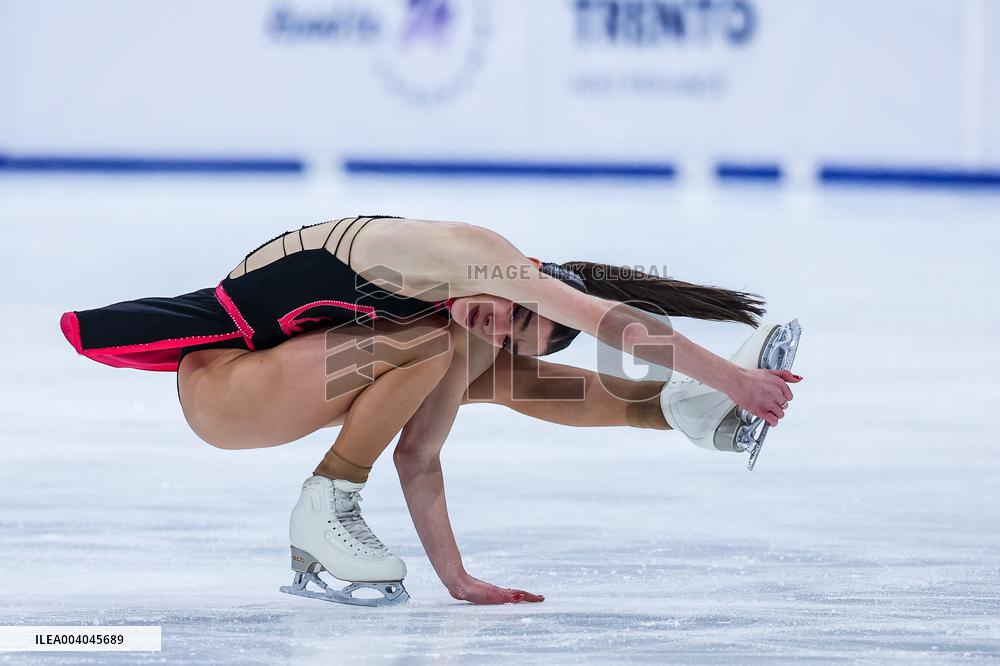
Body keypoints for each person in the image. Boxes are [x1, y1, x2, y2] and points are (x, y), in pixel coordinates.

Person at [61, 215, 802, 605]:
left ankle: (683, 412)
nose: (497, 326)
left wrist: (458, 579)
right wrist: (737, 379)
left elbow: (419, 454)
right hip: (224, 385)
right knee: (434, 344)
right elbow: (611, 322)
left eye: (516, 331)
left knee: (495, 374)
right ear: (530, 282)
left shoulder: (454, 314)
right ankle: (325, 507)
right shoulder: (473, 255)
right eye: (517, 314)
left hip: (265, 382)